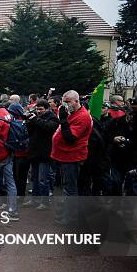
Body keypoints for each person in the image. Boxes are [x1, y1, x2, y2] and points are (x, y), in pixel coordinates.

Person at [50, 90, 93, 225]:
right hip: (65, 155)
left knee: (70, 189)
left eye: (67, 102)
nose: (65, 105)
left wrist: (63, 120)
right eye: (64, 102)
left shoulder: (82, 116)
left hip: (73, 156)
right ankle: (66, 215)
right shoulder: (72, 113)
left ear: (76, 101)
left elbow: (70, 138)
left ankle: (70, 219)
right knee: (67, 187)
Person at [23, 99, 59, 209]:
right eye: (37, 109)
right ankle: (34, 199)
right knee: (35, 178)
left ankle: (44, 202)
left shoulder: (52, 117)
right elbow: (30, 132)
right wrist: (29, 121)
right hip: (34, 152)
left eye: (41, 109)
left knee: (43, 179)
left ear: (47, 108)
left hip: (45, 153)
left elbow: (49, 128)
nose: (38, 111)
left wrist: (36, 119)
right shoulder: (37, 117)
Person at [7, 103, 30, 198]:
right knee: (21, 176)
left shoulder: (15, 123)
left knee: (19, 176)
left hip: (19, 153)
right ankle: (19, 193)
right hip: (23, 153)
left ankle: (19, 194)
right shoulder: (26, 122)